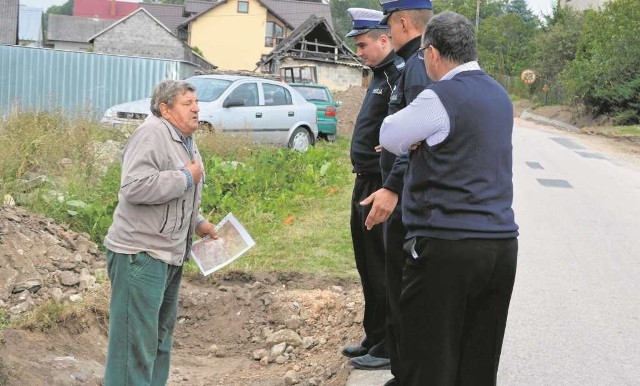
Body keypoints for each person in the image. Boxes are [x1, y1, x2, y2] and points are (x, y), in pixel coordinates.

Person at [379, 11, 519, 386]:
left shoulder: (441, 96)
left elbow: (391, 134)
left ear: (434, 54)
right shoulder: (500, 96)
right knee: (477, 363)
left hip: (446, 246)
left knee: (428, 361)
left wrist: (417, 137)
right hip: (501, 247)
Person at [103, 79, 218, 386]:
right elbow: (134, 187)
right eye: (187, 103)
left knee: (158, 340)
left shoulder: (184, 138)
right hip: (140, 255)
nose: (196, 109)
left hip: (168, 254)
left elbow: (176, 195)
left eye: (196, 103)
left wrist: (198, 223)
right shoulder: (151, 133)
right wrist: (184, 176)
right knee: (133, 346)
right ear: (165, 109)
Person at [358, 0, 433, 384]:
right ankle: (401, 367)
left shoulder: (417, 67)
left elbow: (417, 139)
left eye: (388, 23)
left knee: (402, 285)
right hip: (397, 190)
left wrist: (390, 186)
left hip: (402, 197)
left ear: (403, 22)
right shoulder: (412, 65)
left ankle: (405, 370)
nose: (387, 30)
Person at [340, 7, 404, 372]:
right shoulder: (379, 75)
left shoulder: (399, 75)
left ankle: (388, 345)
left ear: (385, 39)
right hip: (364, 179)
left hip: (381, 184)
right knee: (367, 263)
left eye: (364, 45)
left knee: (382, 266)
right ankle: (374, 333)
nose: (359, 52)